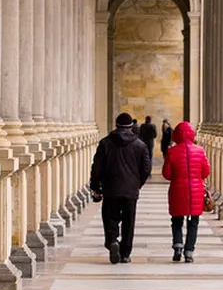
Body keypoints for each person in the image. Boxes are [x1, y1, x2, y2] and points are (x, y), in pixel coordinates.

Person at [89, 111, 152, 264]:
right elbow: (146, 169)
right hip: (131, 190)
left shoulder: (105, 143)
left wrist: (95, 187)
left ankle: (112, 241)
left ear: (116, 126)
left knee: (110, 217)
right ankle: (125, 253)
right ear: (131, 126)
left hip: (111, 188)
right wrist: (137, 183)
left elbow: (97, 167)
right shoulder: (140, 145)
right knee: (129, 222)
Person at [162, 120, 211, 262]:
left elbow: (167, 174)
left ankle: (178, 246)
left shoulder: (172, 151)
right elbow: (206, 171)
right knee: (193, 222)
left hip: (178, 191)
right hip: (195, 191)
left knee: (177, 220)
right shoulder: (200, 151)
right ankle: (189, 252)